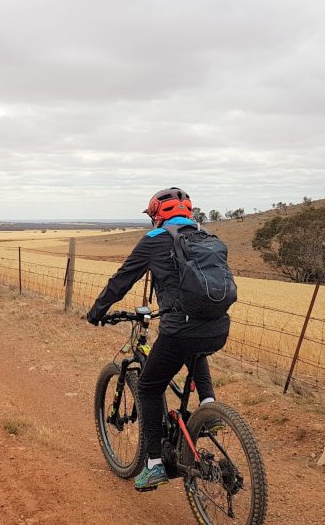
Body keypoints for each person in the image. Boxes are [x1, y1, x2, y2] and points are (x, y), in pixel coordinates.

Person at [86, 187, 231, 491]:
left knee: (150, 387)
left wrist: (98, 310)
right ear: (188, 212)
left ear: (155, 214)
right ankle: (209, 407)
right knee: (196, 348)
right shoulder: (207, 238)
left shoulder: (155, 240)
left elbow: (123, 279)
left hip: (179, 330)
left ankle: (153, 465)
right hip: (218, 329)